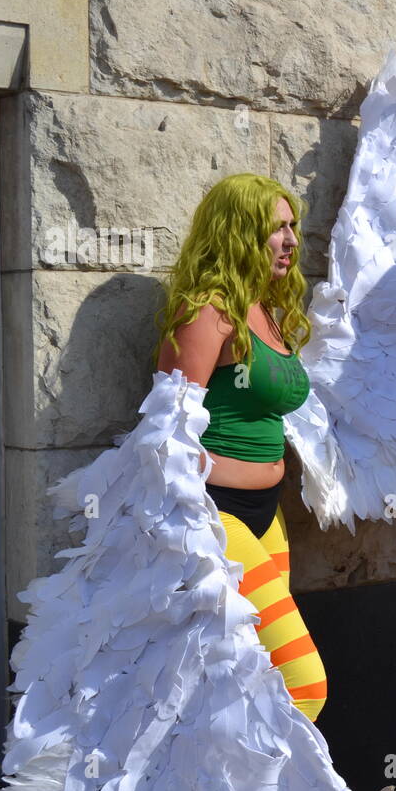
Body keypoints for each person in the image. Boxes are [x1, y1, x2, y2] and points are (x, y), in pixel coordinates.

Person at [152, 172, 328, 721]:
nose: (292, 241)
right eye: (277, 228)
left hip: (266, 516)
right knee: (303, 684)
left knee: (252, 672)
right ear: (240, 231)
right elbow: (164, 432)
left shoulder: (267, 311)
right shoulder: (211, 310)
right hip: (217, 516)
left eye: (293, 226)